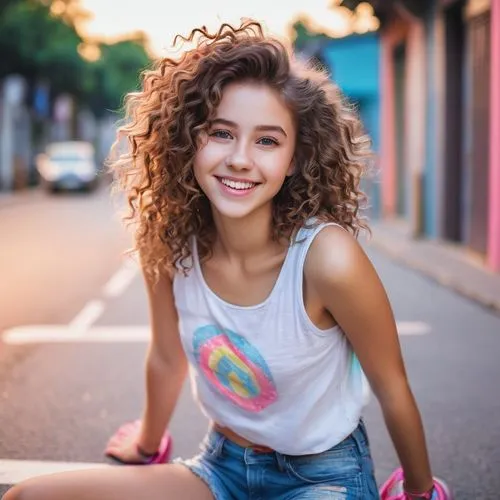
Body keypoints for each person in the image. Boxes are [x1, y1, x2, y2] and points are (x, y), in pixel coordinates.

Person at [5, 19, 439, 500]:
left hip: (323, 476)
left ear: (295, 158)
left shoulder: (326, 259)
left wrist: (420, 491)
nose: (239, 158)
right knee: (29, 496)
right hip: (221, 467)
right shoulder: (169, 244)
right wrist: (147, 444)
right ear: (190, 138)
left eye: (267, 141)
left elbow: (391, 384)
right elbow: (168, 358)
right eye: (221, 133)